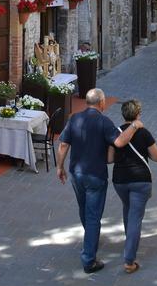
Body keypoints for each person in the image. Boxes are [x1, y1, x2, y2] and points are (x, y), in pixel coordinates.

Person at [56, 88, 143, 273]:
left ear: (87, 102)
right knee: (93, 216)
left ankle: (90, 238)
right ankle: (89, 260)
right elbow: (119, 142)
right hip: (96, 175)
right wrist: (135, 126)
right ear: (102, 103)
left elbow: (63, 144)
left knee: (84, 209)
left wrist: (59, 167)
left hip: (77, 174)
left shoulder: (74, 119)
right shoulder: (104, 121)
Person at [110, 99, 157, 273]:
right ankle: (129, 260)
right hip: (141, 181)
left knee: (128, 208)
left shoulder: (115, 132)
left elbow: (109, 159)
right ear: (137, 114)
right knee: (135, 218)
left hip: (120, 181)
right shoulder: (144, 133)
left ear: (123, 114)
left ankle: (129, 239)